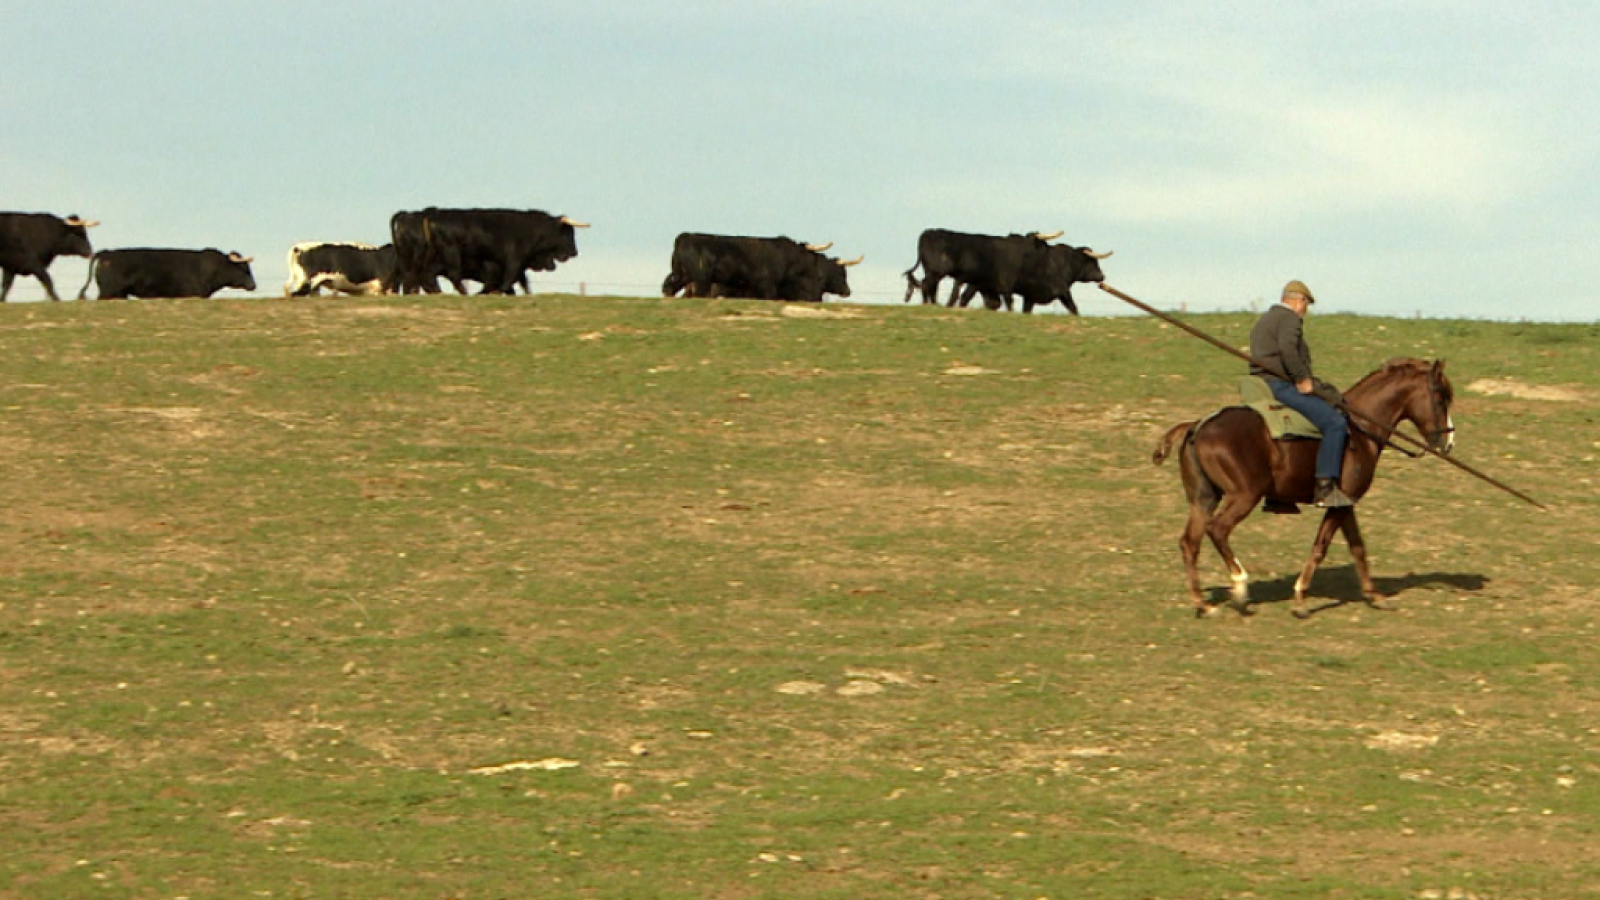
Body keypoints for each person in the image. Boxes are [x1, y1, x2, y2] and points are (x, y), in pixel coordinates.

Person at [1249, 280, 1353, 508]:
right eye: (1306, 304)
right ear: (1298, 300)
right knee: (1334, 422)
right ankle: (1325, 485)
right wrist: (1301, 378)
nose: (1305, 310)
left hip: (1260, 386)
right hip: (1281, 385)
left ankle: (1278, 495)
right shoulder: (1289, 319)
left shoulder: (1265, 320)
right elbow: (1288, 349)